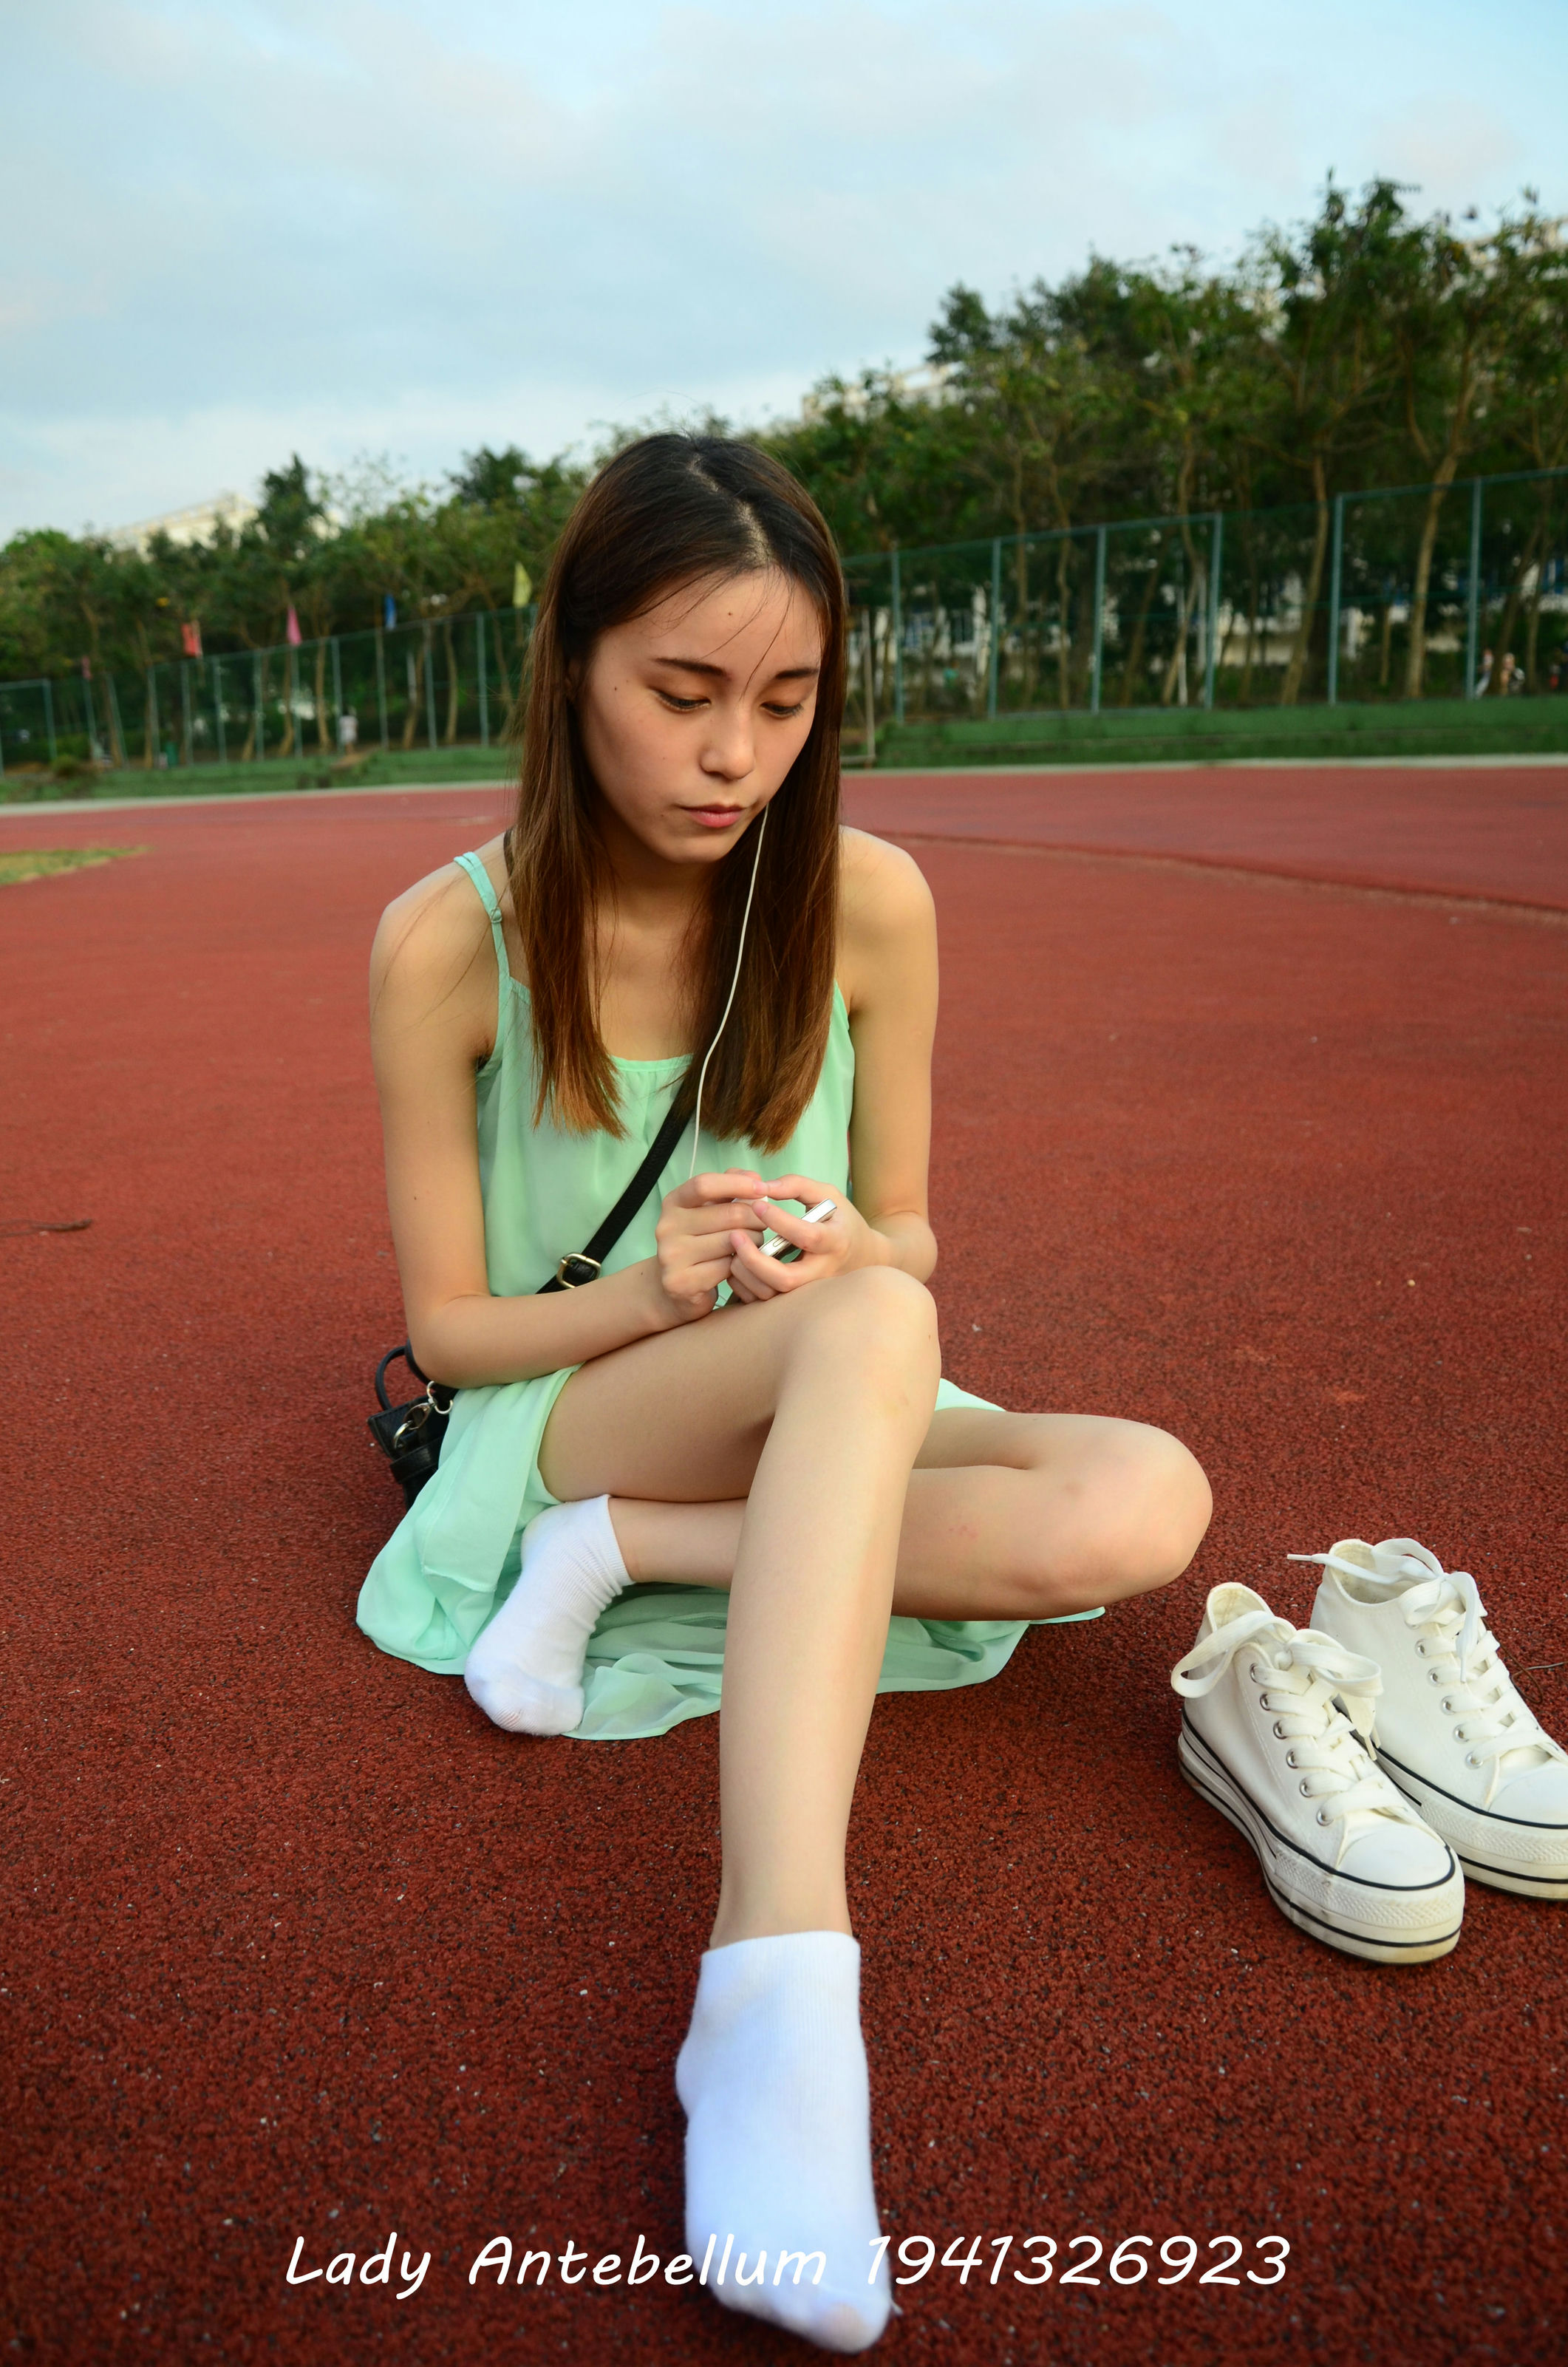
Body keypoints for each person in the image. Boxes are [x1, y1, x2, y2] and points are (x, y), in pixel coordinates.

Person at [358, 435, 1211, 2351]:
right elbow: (454, 1331)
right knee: (876, 1338)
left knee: (1144, 1498)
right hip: (575, 1399)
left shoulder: (874, 903)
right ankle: (773, 1989)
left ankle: (637, 1551)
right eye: (681, 694)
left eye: (785, 700)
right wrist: (651, 1289)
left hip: (818, 1372)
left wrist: (844, 1250)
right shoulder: (449, 942)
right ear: (571, 665)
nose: (734, 755)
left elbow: (908, 1234)